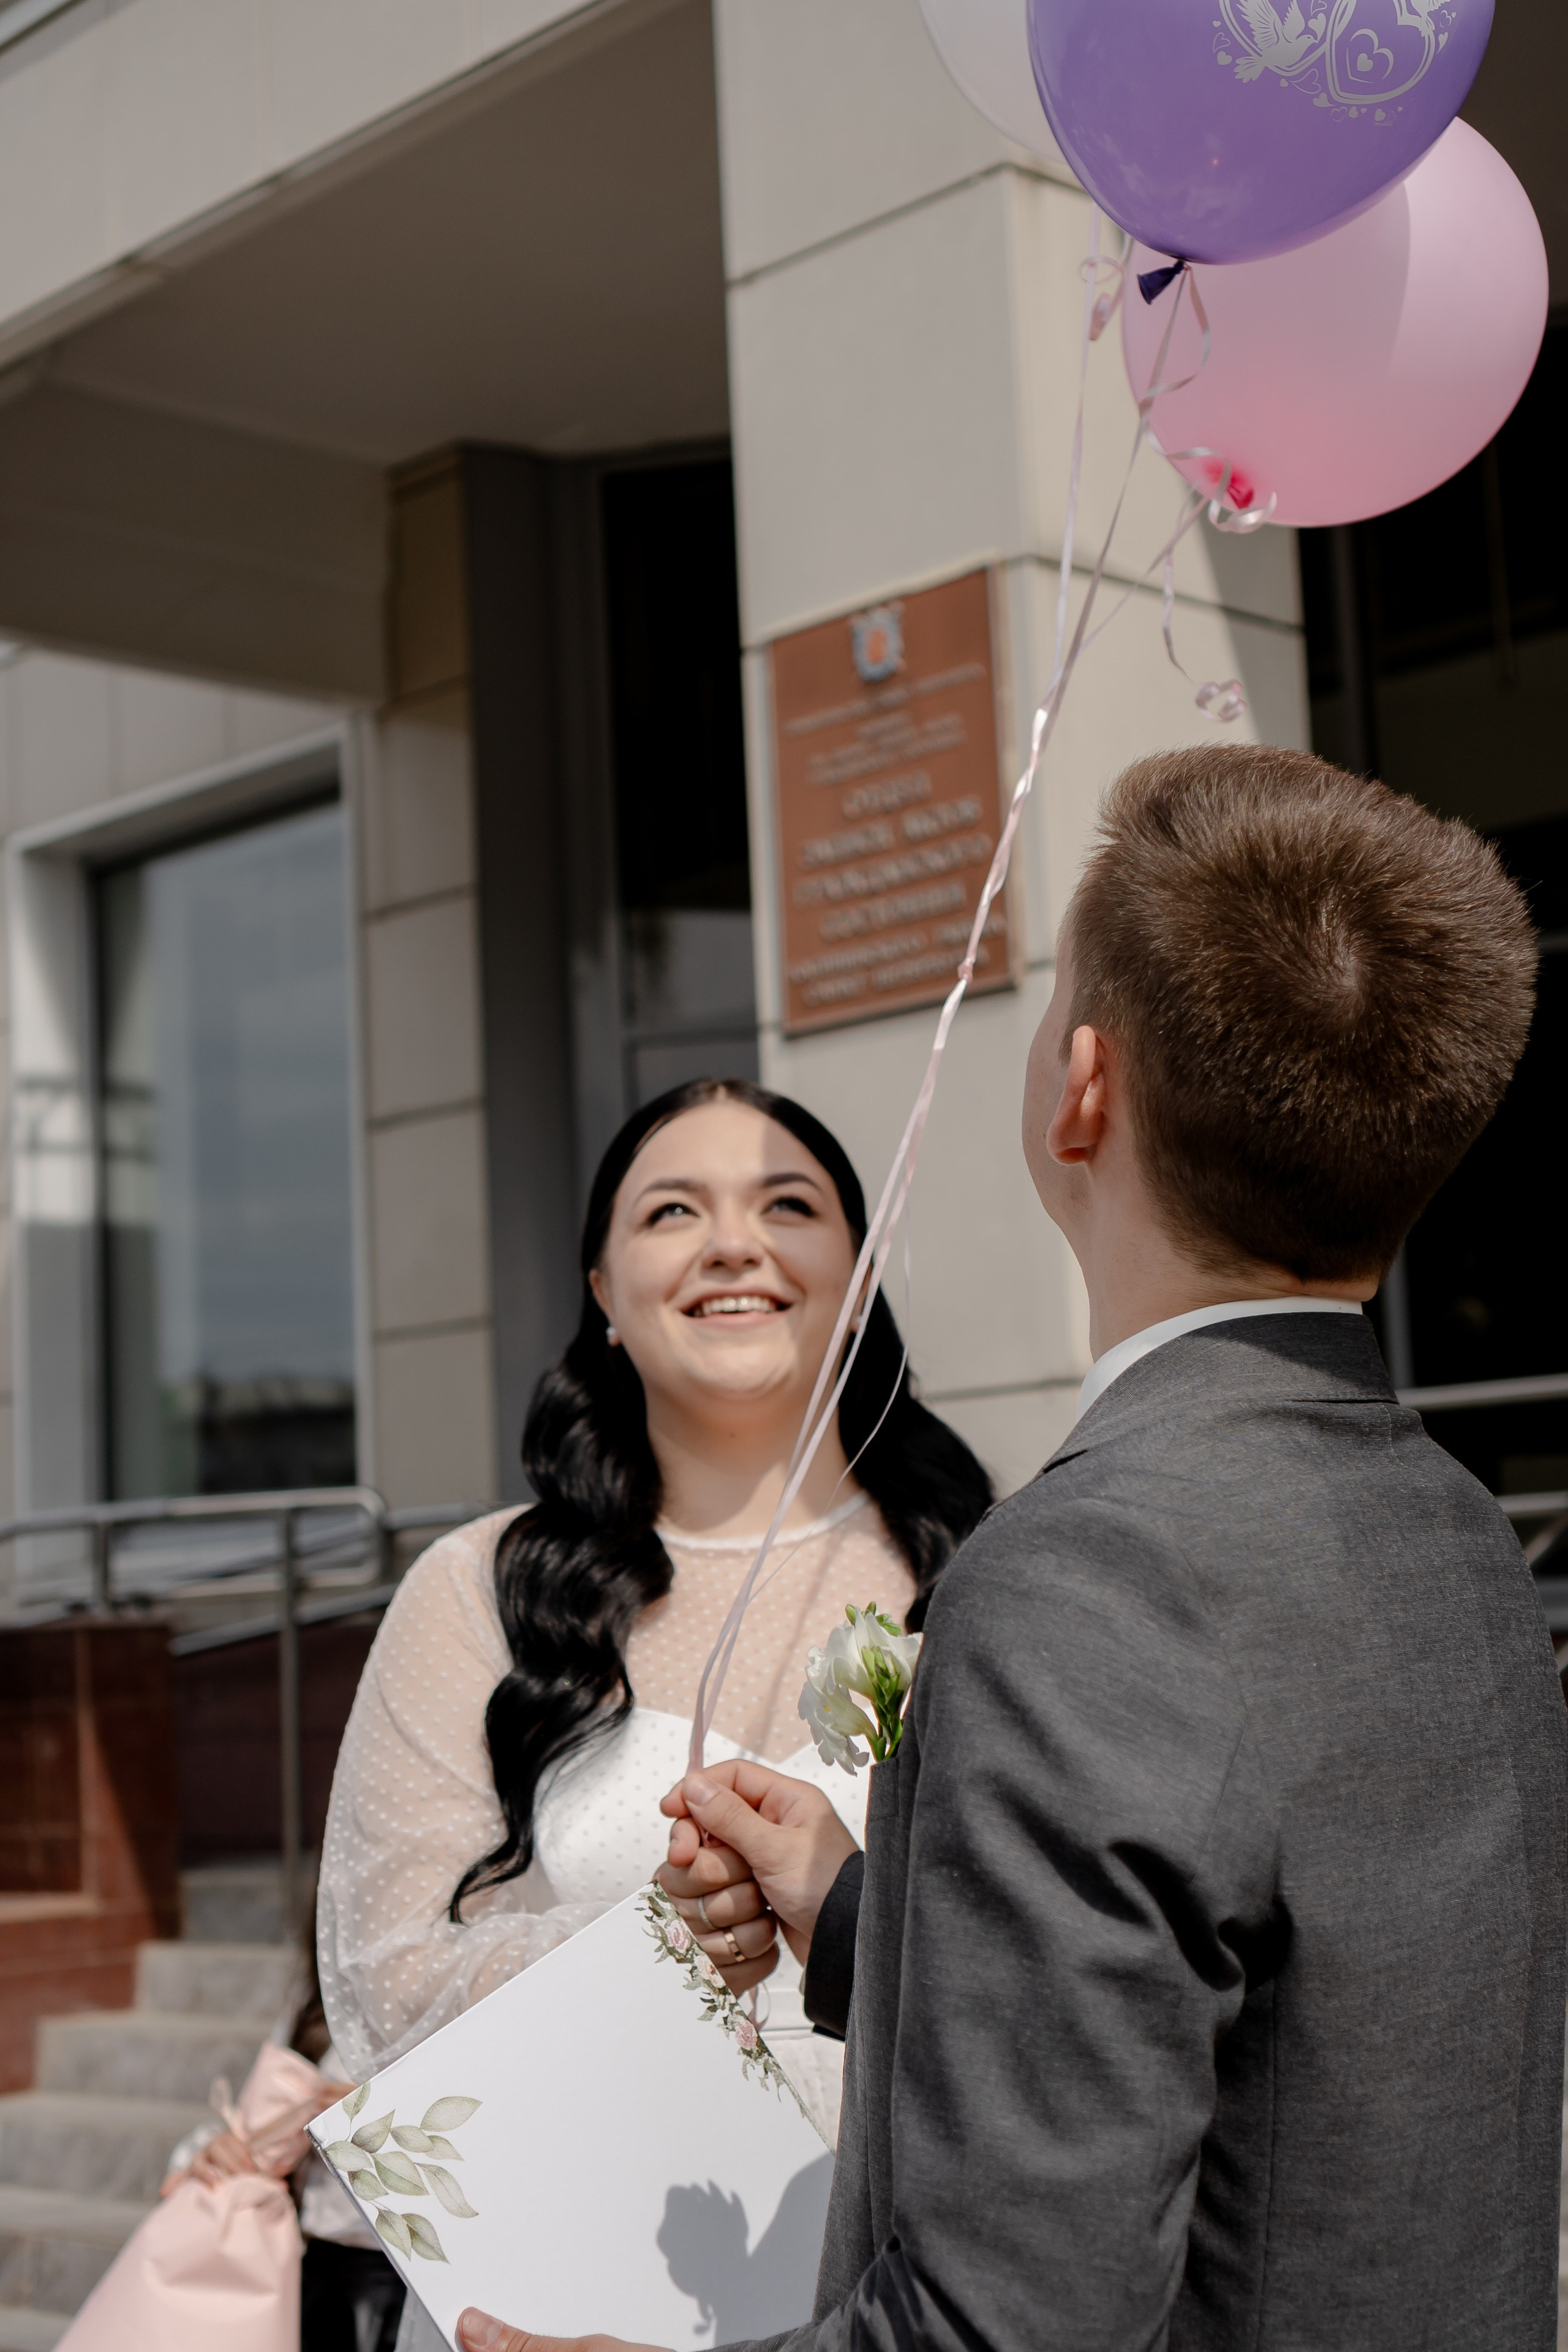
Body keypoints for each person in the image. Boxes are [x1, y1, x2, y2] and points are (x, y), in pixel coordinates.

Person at [453, 745, 1568, 2352]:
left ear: (1082, 1090)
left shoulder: (1089, 1577)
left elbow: (1002, 2325)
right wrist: (858, 1913)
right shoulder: (1461, 1529)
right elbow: (1282, 2026)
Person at [314, 1079, 992, 2345]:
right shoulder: (476, 1592)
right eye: (673, 1210)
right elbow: (378, 1985)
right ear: (603, 1295)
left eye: (785, 1205)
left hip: (902, 2287)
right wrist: (649, 1945)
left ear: (855, 1270)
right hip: (558, 2277)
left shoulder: (987, 1576)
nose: (733, 1242)